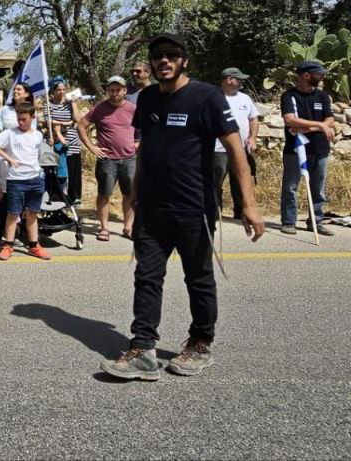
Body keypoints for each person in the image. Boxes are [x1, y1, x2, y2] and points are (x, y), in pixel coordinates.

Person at [101, 33, 265, 381]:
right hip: (152, 209)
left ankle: (201, 342)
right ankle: (143, 348)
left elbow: (236, 148)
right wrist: (135, 197)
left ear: (184, 60)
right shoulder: (145, 98)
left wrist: (248, 204)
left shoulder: (206, 96)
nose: (164, 61)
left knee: (198, 278)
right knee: (146, 278)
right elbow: (143, 148)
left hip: (194, 208)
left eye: (172, 55)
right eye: (158, 55)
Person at [0, 104, 51, 261]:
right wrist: (7, 158)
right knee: (13, 213)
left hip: (35, 178)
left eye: (24, 119)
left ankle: (34, 245)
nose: (21, 122)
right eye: (19, 119)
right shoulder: (10, 133)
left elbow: (38, 154)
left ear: (32, 118)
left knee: (32, 213)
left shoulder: (38, 135)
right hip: (16, 180)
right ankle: (8, 245)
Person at [279, 60, 336, 236]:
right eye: (319, 74)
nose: (322, 77)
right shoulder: (289, 96)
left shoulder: (322, 96)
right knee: (291, 187)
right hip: (296, 149)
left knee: (318, 187)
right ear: (306, 75)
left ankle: (316, 221)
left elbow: (330, 120)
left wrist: (314, 127)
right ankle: (289, 222)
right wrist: (321, 126)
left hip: (320, 149)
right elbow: (290, 120)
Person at [78, 76, 138, 241]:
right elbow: (81, 125)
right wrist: (91, 147)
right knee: (104, 194)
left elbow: (143, 128)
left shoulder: (133, 109)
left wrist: (138, 143)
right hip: (107, 160)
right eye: (111, 90)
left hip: (129, 159)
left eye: (118, 89)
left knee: (129, 194)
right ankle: (104, 228)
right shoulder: (99, 109)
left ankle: (128, 227)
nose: (114, 93)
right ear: (107, 91)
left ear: (124, 91)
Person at [214, 68, 259, 221]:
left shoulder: (245, 98)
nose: (241, 82)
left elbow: (253, 119)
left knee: (240, 181)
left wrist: (252, 138)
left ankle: (241, 213)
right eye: (238, 79)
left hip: (241, 149)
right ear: (229, 79)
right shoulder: (213, 97)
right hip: (218, 149)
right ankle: (215, 213)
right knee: (215, 183)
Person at [47, 78, 82, 206]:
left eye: (63, 89)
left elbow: (78, 119)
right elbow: (49, 121)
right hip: (57, 142)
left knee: (73, 171)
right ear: (53, 91)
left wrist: (73, 103)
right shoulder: (48, 104)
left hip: (72, 141)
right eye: (58, 90)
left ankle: (74, 198)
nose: (61, 92)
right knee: (59, 171)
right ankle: (58, 197)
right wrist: (66, 123)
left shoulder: (68, 104)